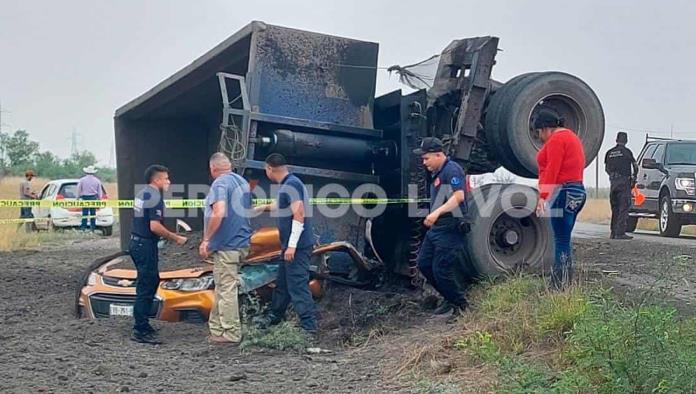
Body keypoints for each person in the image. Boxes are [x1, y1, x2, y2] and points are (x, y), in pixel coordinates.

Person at [254, 153, 318, 339]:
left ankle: (309, 327)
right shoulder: (288, 184)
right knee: (282, 283)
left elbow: (299, 214)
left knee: (297, 285)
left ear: (269, 168)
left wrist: (291, 246)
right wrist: (260, 207)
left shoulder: (291, 184)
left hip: (296, 247)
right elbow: (280, 205)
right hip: (289, 247)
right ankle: (275, 317)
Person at [413, 137, 471, 319]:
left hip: (450, 226)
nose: (424, 162)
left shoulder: (452, 170)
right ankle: (449, 297)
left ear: (438, 155)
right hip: (437, 229)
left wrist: (436, 213)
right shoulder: (437, 172)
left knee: (441, 269)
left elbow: (459, 196)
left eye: (426, 158)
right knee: (424, 264)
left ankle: (461, 306)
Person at [199, 152, 253, 345]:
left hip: (227, 246)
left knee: (226, 289)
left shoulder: (220, 184)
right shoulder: (242, 183)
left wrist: (206, 240)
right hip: (241, 243)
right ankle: (217, 329)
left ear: (213, 169)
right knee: (222, 286)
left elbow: (219, 212)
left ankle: (230, 333)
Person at [130, 164, 187, 344]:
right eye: (166, 178)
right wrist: (175, 238)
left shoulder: (142, 193)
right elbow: (154, 226)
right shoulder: (155, 197)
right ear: (156, 180)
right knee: (147, 285)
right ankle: (140, 329)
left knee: (149, 281)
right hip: (145, 245)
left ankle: (143, 323)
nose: (169, 181)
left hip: (137, 242)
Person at [534, 109, 587, 290]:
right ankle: (565, 281)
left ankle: (558, 286)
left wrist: (543, 196)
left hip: (564, 191)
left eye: (539, 133)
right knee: (564, 239)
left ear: (545, 129)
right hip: (577, 191)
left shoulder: (556, 140)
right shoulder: (571, 137)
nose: (540, 138)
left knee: (561, 240)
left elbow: (552, 169)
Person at [604, 132, 638, 240]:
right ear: (626, 140)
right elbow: (635, 166)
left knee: (615, 208)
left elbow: (606, 168)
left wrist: (612, 176)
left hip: (613, 183)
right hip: (624, 182)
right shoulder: (627, 152)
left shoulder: (609, 153)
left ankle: (613, 233)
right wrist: (634, 179)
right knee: (623, 207)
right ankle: (620, 233)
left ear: (616, 139)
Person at [77, 165, 103, 232]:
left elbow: (78, 189)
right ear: (93, 173)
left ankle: (83, 228)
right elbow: (100, 192)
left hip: (85, 197)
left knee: (85, 213)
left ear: (86, 172)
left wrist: (77, 197)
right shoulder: (97, 181)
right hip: (93, 197)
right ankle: (92, 228)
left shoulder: (82, 180)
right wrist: (100, 200)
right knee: (93, 214)